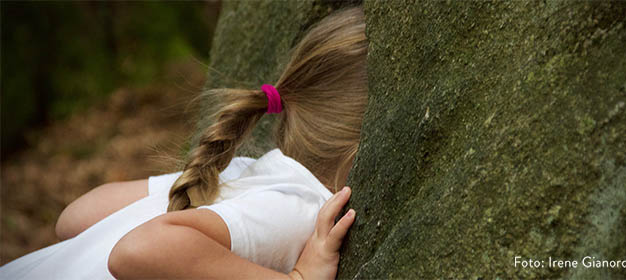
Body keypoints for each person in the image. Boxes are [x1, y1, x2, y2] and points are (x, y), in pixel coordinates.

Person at [0, 6, 367, 279]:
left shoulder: (239, 172)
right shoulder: (301, 210)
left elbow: (75, 218)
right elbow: (139, 249)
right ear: (362, 143)